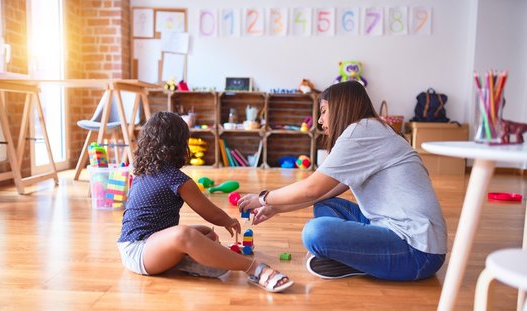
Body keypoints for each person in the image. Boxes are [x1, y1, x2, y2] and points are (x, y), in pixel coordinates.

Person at [238, 81, 447, 281]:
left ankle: (360, 261)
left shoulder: (361, 132)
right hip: (392, 230)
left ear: (340, 108)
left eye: (323, 111)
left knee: (315, 232)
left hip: (417, 251)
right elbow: (323, 192)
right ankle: (360, 260)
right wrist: (277, 207)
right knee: (326, 206)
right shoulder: (372, 129)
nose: (320, 120)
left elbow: (312, 188)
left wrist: (263, 198)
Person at [117, 112, 293, 293]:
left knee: (205, 233)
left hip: (148, 244)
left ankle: (189, 262)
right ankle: (254, 268)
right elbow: (211, 213)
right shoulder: (176, 179)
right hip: (138, 252)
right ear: (179, 144)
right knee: (185, 234)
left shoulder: (142, 172)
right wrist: (227, 220)